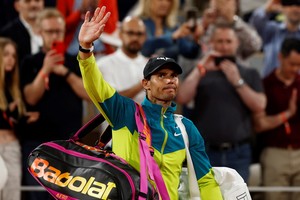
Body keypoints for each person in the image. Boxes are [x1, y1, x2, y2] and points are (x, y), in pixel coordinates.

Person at [77, 6, 223, 199]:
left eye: (173, 76)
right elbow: (96, 86)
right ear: (145, 83)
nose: (169, 80)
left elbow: (205, 180)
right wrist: (85, 50)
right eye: (161, 75)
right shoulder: (125, 113)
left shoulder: (187, 129)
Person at [177, 22, 266, 182]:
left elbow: (260, 105)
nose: (224, 46)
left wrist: (237, 81)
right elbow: (182, 97)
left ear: (237, 44)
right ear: (211, 43)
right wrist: (200, 69)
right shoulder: (200, 71)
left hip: (238, 151)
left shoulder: (249, 73)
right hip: (205, 151)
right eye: (220, 41)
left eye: (228, 41)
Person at [19, 8, 90, 200]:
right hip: (37, 143)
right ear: (40, 33)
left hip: (70, 142)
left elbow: (89, 94)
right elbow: (30, 98)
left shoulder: (75, 62)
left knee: (68, 196)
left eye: (58, 31)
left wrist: (65, 73)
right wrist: (46, 70)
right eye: (49, 32)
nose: (54, 36)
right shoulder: (29, 62)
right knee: (39, 195)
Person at [252, 38, 300, 200]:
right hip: (275, 152)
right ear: (280, 57)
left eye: (299, 65)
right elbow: (259, 125)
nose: (295, 69)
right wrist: (288, 113)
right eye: (291, 64)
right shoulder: (265, 85)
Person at [0, 37, 38, 200]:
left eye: (14, 55)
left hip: (12, 145)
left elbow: (16, 122)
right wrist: (7, 112)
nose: (11, 59)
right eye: (6, 54)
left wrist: (23, 118)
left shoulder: (14, 88)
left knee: (13, 191)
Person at [96, 16, 148, 103]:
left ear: (145, 36)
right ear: (120, 34)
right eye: (130, 33)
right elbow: (112, 101)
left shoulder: (149, 64)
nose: (135, 38)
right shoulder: (103, 65)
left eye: (139, 34)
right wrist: (144, 83)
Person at [131, 0, 202, 61]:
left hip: (169, 75)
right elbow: (144, 48)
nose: (164, 3)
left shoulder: (174, 28)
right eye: (160, 0)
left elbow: (190, 53)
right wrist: (172, 37)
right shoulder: (138, 23)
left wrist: (196, 38)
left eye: (168, 0)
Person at [249, 0, 300, 77]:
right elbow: (255, 25)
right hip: (271, 86)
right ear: (282, 8)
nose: (295, 9)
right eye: (290, 4)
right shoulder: (272, 31)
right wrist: (266, 9)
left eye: (298, 5)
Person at [0, 0, 44, 65]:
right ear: (17, 6)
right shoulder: (6, 34)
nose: (33, 5)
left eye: (37, 0)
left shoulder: (54, 29)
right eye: (27, 1)